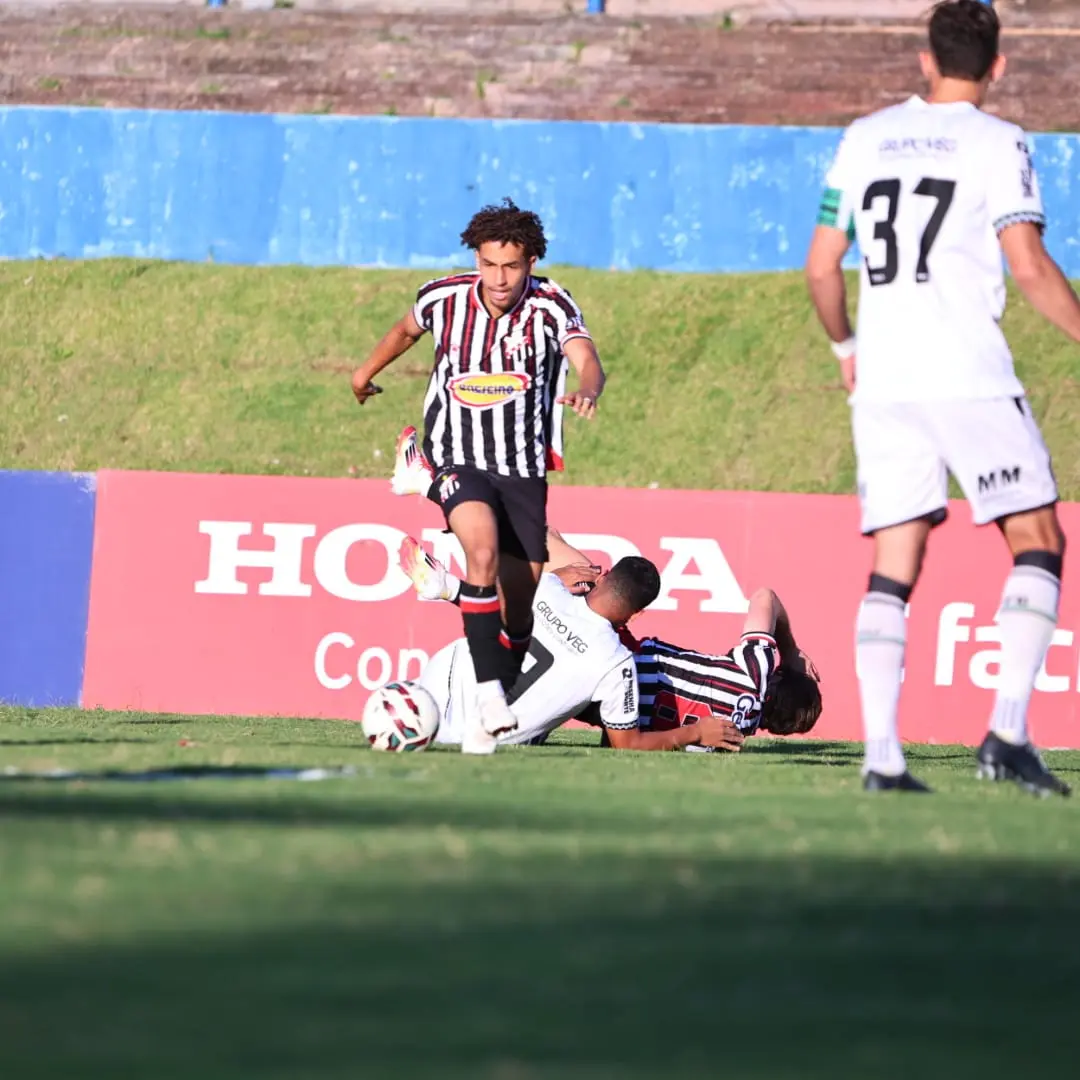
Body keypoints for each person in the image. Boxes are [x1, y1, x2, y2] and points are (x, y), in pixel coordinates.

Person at [805, 0, 1077, 795]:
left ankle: (883, 757)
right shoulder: (1001, 143)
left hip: (885, 379)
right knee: (1037, 541)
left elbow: (822, 265)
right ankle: (1008, 733)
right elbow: (1026, 265)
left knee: (896, 558)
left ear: (925, 59)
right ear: (997, 65)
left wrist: (847, 350)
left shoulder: (863, 137)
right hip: (966, 372)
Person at [352, 198, 606, 749]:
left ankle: (485, 719)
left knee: (520, 614)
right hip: (458, 460)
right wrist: (364, 371)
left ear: (531, 262)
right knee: (481, 553)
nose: (498, 278)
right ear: (476, 258)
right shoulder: (442, 297)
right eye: (489, 264)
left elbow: (584, 353)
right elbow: (404, 330)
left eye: (511, 266)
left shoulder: (551, 305)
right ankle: (490, 697)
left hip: (521, 471)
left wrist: (588, 387)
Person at [398, 526, 821, 751]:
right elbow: (628, 740)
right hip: (601, 700)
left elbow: (765, 598)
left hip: (625, 660)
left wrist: (791, 654)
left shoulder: (758, 670)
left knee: (550, 545)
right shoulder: (732, 736)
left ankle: (463, 516)